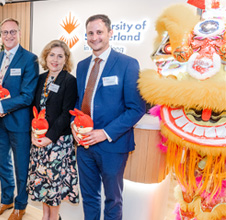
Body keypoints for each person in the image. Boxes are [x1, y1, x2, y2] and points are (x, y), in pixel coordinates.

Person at [72, 14, 145, 220]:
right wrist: (73, 126)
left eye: (99, 32)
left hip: (113, 145)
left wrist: (104, 133)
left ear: (110, 33)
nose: (95, 37)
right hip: (84, 145)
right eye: (90, 33)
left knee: (113, 199)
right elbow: (79, 103)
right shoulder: (82, 65)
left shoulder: (127, 64)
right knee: (89, 196)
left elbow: (136, 109)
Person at [0, 18, 39, 220]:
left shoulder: (30, 59)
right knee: (2, 164)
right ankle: (6, 199)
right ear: (1, 35)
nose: (9, 36)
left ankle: (20, 205)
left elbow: (27, 95)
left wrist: (0, 106)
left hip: (19, 123)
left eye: (12, 32)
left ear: (19, 33)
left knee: (21, 166)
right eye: (5, 32)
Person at [27, 40, 79, 220]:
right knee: (43, 181)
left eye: (60, 56)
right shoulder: (41, 78)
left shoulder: (70, 81)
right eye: (52, 55)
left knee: (55, 184)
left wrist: (49, 137)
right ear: (46, 56)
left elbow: (66, 115)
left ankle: (54, 217)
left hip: (58, 143)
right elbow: (34, 109)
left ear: (66, 60)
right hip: (39, 141)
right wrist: (34, 133)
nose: (55, 60)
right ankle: (46, 216)